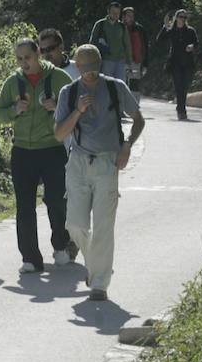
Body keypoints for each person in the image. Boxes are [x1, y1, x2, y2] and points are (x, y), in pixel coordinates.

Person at [54, 45, 146, 302]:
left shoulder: (116, 87)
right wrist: (78, 111)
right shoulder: (69, 93)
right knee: (75, 224)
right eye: (84, 69)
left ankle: (100, 284)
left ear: (100, 64)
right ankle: (96, 266)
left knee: (104, 226)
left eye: (93, 68)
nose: (89, 74)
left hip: (108, 162)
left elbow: (139, 120)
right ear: (77, 67)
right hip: (78, 162)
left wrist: (128, 144)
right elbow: (60, 133)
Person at [0, 37, 75, 273]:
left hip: (52, 148)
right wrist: (13, 110)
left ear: (38, 53)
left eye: (27, 58)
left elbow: (78, 109)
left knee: (57, 201)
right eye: (19, 59)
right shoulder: (12, 82)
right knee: (24, 206)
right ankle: (30, 258)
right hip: (22, 151)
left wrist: (58, 105)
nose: (23, 63)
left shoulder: (60, 78)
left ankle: (61, 245)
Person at [157, 9, 200, 120]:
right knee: (178, 87)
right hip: (175, 63)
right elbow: (160, 39)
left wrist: (192, 46)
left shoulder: (190, 31)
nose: (182, 19)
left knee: (184, 87)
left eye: (184, 17)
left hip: (187, 63)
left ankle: (180, 108)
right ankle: (181, 110)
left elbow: (197, 43)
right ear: (176, 17)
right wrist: (165, 26)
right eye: (180, 16)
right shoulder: (171, 30)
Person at [88, 2, 130, 83]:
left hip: (120, 61)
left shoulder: (122, 26)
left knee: (120, 86)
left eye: (118, 13)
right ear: (108, 11)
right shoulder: (100, 24)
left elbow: (127, 44)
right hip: (106, 60)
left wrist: (129, 61)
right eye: (113, 12)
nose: (116, 15)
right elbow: (92, 43)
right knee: (106, 85)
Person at [122, 7, 150, 92]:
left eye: (132, 15)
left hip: (136, 62)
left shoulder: (140, 29)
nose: (130, 17)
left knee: (134, 86)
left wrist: (145, 64)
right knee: (122, 85)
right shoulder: (119, 28)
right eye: (128, 15)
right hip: (121, 62)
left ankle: (134, 104)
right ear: (123, 17)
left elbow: (145, 47)